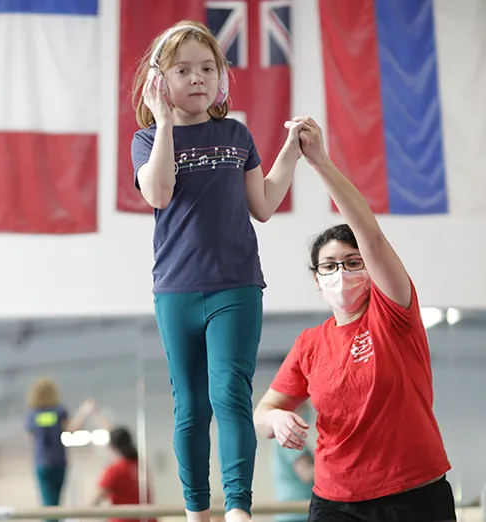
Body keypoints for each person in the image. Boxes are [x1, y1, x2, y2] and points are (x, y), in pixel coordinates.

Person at [130, 20, 303, 522]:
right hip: (177, 288)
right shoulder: (147, 139)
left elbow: (263, 204)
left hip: (236, 285)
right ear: (160, 81)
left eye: (208, 68)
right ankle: (196, 511)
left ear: (222, 77)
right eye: (183, 70)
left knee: (229, 393)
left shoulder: (236, 134)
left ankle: (238, 508)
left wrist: (290, 153)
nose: (198, 78)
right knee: (190, 405)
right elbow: (159, 192)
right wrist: (164, 122)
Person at [253, 116, 456, 522]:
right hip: (336, 501)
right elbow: (263, 412)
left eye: (352, 262)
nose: (341, 272)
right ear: (316, 279)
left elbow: (373, 238)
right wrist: (274, 418)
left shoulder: (393, 312)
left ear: (368, 267)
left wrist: (320, 162)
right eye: (329, 265)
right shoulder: (310, 343)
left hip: (414, 496)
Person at [24, 378, 94, 519]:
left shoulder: (32, 415)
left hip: (42, 463)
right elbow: (73, 428)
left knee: (48, 503)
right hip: (59, 462)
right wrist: (84, 411)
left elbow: (31, 437)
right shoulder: (58, 411)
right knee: (55, 503)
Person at [88, 405, 157, 522]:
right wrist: (97, 414)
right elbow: (114, 433)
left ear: (112, 447)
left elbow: (94, 501)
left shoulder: (115, 470)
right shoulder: (140, 465)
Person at [271, 402, 314, 522]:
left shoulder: (283, 435)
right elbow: (306, 473)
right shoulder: (289, 435)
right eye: (302, 407)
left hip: (293, 512)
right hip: (296, 512)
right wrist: (334, 467)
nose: (306, 412)